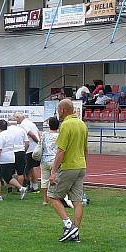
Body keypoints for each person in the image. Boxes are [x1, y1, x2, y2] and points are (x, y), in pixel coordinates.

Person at [47, 99, 88, 242]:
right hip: (80, 166)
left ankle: (68, 225)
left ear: (63, 110)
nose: (58, 112)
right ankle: (76, 232)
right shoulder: (82, 124)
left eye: (58, 109)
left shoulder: (66, 125)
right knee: (77, 201)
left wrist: (53, 172)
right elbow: (85, 148)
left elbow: (61, 151)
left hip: (69, 166)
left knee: (52, 196)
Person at [0, 118, 27, 201]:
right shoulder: (11, 135)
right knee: (8, 177)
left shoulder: (0, 136)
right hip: (10, 157)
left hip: (2, 159)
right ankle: (21, 188)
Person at [13, 112, 40, 192]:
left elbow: (31, 134)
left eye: (15, 118)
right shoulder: (30, 122)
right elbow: (37, 132)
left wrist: (38, 142)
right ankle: (32, 185)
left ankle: (33, 185)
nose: (15, 120)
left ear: (18, 118)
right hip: (33, 148)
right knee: (31, 168)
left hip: (30, 148)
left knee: (28, 168)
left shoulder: (23, 125)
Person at [39, 116, 60, 205]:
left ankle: (45, 200)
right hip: (55, 160)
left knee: (44, 180)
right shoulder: (60, 135)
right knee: (56, 180)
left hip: (44, 159)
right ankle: (53, 199)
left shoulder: (44, 135)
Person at [7, 119, 29, 199]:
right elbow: (27, 142)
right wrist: (24, 150)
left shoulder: (6, 130)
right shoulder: (22, 130)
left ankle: (9, 188)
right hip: (20, 151)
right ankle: (19, 188)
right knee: (20, 173)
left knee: (8, 172)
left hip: (10, 152)